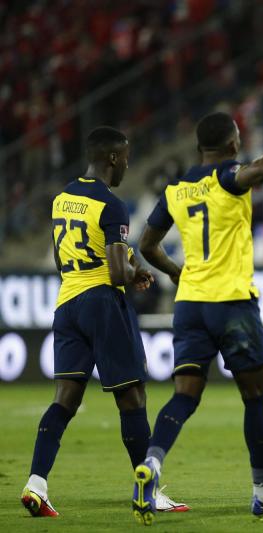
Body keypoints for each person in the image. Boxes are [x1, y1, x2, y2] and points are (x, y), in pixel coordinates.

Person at [131, 112, 263, 525]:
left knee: (184, 395)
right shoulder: (229, 175)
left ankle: (151, 465)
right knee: (257, 395)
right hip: (231, 303)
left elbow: (147, 245)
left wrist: (176, 273)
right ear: (232, 145)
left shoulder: (175, 189)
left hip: (189, 304)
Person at [20, 127, 186, 517]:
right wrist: (136, 275)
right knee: (132, 398)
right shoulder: (112, 204)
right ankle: (148, 491)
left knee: (65, 399)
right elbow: (114, 273)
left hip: (67, 302)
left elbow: (65, 260)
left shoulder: (63, 197)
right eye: (126, 157)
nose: (128, 163)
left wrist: (130, 266)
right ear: (113, 158)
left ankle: (36, 484)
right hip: (103, 304)